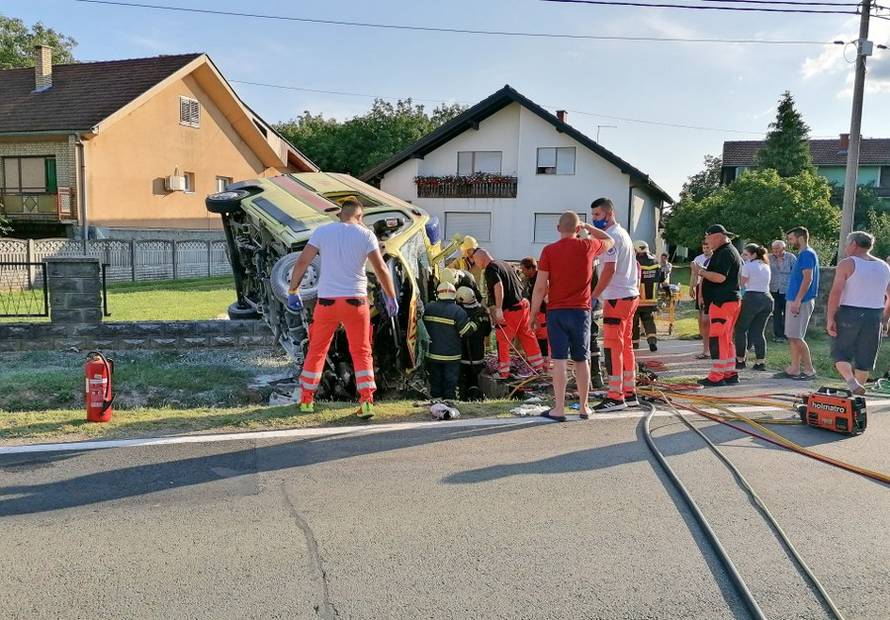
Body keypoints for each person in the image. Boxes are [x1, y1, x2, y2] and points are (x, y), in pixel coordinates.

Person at [288, 196, 399, 419]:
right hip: (356, 302)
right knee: (361, 351)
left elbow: (302, 262)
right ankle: (366, 401)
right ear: (360, 216)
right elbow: (381, 270)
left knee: (317, 349)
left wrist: (293, 290)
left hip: (327, 302)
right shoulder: (366, 235)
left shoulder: (322, 232)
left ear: (341, 214)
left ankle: (307, 400)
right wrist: (391, 297)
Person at [529, 211, 613, 420]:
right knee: (581, 359)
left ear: (558, 228)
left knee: (558, 360)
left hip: (556, 312)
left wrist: (532, 315)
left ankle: (558, 408)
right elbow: (609, 240)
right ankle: (584, 407)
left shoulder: (548, 251)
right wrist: (588, 228)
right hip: (581, 312)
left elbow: (540, 287)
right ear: (578, 229)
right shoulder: (588, 246)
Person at [590, 197, 640, 411]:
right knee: (625, 345)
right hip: (629, 296)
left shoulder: (611, 236)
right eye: (593, 215)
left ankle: (615, 396)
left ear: (608, 214)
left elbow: (608, 270)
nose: (594, 219)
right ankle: (629, 392)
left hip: (617, 298)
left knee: (612, 347)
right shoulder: (623, 234)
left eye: (597, 215)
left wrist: (594, 295)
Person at [826, 231, 890, 395]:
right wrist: (885, 318)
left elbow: (836, 293)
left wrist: (830, 318)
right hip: (874, 315)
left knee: (840, 352)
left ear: (854, 244)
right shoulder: (884, 266)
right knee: (865, 358)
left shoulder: (848, 263)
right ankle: (857, 394)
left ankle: (851, 381)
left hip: (850, 311)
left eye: (847, 244)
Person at [473, 248, 545, 379]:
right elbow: (519, 285)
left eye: (476, 261)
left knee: (502, 339)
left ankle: (503, 372)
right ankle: (538, 367)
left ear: (481, 259)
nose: (476, 265)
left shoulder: (491, 269)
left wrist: (499, 309)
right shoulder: (504, 264)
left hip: (512, 309)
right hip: (523, 305)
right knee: (527, 336)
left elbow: (498, 286)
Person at [692, 225, 742, 387]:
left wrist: (700, 272)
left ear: (717, 236)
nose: (707, 242)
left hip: (723, 302)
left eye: (708, 238)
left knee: (719, 338)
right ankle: (729, 372)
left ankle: (717, 375)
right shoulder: (726, 251)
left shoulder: (725, 253)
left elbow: (720, 277)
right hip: (727, 301)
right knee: (726, 338)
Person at [776, 226, 819, 380]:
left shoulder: (807, 254)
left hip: (800, 300)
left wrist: (798, 299)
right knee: (792, 336)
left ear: (800, 238)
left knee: (797, 336)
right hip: (794, 299)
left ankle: (809, 370)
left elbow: (808, 278)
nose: (789, 242)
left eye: (791, 239)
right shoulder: (803, 254)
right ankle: (794, 368)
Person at [423, 282, 477, 400]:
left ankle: (436, 401)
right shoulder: (458, 311)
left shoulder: (428, 308)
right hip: (451, 356)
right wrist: (475, 323)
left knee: (435, 380)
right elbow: (466, 331)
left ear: (438, 294)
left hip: (432, 354)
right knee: (450, 381)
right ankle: (449, 402)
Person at [734, 244, 773, 371]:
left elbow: (741, 283)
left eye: (745, 254)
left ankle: (740, 359)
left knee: (740, 329)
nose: (743, 257)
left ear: (754, 254)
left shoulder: (748, 266)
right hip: (767, 298)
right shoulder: (766, 265)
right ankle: (760, 362)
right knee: (758, 332)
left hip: (752, 297)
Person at [456, 285, 491, 400]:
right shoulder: (483, 312)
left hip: (463, 355)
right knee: (475, 380)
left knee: (464, 381)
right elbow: (487, 332)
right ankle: (476, 396)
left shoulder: (459, 313)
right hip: (478, 355)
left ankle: (464, 398)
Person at [633, 240, 660, 352]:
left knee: (634, 322)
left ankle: (634, 345)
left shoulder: (634, 262)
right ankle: (652, 341)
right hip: (650, 298)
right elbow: (660, 278)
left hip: (637, 298)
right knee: (648, 320)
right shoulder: (655, 261)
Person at [519, 257, 549, 361]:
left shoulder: (540, 279)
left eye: (524, 269)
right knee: (535, 337)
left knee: (542, 337)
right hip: (534, 312)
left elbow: (544, 296)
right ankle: (538, 361)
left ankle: (545, 361)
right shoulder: (529, 280)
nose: (522, 272)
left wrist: (536, 314)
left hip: (541, 312)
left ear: (531, 268)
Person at [768, 240, 796, 343]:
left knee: (788, 313)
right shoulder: (769, 258)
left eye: (777, 248)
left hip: (787, 289)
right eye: (774, 248)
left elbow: (796, 273)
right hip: (774, 289)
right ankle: (778, 335)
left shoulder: (791, 257)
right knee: (776, 313)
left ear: (783, 248)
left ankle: (789, 335)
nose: (775, 250)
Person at [690, 241, 712, 359]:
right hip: (700, 287)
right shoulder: (698, 258)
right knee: (701, 314)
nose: (705, 249)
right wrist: (691, 287)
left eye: (707, 247)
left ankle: (708, 346)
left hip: (710, 288)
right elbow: (694, 274)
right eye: (704, 247)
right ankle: (702, 334)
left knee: (707, 318)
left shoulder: (715, 258)